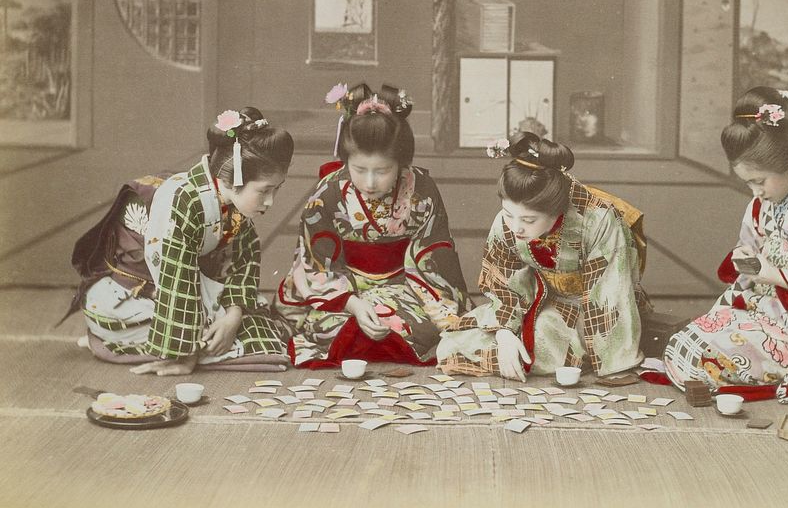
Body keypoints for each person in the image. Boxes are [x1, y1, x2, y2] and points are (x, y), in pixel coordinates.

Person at [663, 87, 788, 399]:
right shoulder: (763, 203)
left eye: (759, 181)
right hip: (757, 312)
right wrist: (744, 257)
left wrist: (775, 274)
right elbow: (748, 248)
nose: (755, 192)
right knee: (682, 345)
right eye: (748, 183)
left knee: (700, 359)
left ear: (786, 160)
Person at [68, 107, 293, 375]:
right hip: (141, 288)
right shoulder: (183, 202)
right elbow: (176, 279)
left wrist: (233, 314)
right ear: (232, 180)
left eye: (276, 189)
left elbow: (244, 258)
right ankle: (114, 340)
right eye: (264, 191)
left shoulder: (230, 199)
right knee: (251, 336)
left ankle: (136, 342)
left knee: (248, 320)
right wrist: (185, 356)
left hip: (191, 284)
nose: (270, 201)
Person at [273, 83, 471, 368]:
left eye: (382, 171)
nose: (369, 183)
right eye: (359, 170)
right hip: (342, 289)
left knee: (417, 324)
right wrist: (353, 303)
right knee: (323, 327)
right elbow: (315, 264)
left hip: (405, 283)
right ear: (346, 160)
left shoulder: (422, 191)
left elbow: (434, 256)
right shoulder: (327, 194)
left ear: (401, 162)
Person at [437, 132, 648, 381]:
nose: (516, 227)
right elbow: (504, 284)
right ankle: (515, 353)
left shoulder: (599, 220)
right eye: (508, 214)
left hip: (588, 305)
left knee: (542, 338)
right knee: (453, 342)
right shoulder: (507, 224)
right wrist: (505, 334)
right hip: (534, 298)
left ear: (556, 210)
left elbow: (611, 292)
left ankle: (542, 355)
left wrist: (614, 363)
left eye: (528, 220)